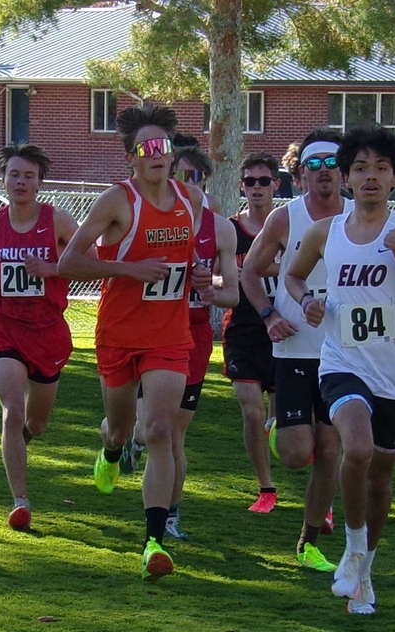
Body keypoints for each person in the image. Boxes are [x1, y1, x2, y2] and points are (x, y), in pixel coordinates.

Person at [286, 127, 395, 614]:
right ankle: (353, 553)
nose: (370, 177)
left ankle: (364, 571)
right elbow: (293, 276)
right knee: (353, 448)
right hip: (341, 364)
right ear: (345, 178)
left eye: (381, 168)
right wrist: (308, 300)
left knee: (380, 481)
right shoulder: (326, 231)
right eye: (360, 168)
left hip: (394, 373)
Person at [57, 105, 210, 582]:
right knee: (123, 429)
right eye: (146, 148)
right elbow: (67, 263)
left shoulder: (192, 201)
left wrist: (198, 275)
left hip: (169, 335)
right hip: (120, 334)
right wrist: (128, 269)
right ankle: (109, 448)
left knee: (161, 430)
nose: (157, 154)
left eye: (163, 145)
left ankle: (153, 543)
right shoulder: (115, 202)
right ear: (131, 158)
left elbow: (188, 264)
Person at [241, 129, 349, 572]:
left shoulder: (362, 216)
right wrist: (269, 316)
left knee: (330, 450)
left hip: (343, 353)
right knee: (294, 455)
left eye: (332, 166)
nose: (324, 176)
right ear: (300, 174)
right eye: (314, 167)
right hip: (293, 349)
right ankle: (279, 428)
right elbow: (249, 273)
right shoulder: (285, 218)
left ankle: (308, 541)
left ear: (343, 172)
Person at [121, 138, 239, 542]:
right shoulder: (152, 217)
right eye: (183, 176)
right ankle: (124, 440)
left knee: (173, 434)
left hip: (192, 338)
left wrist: (210, 287)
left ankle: (169, 515)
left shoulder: (221, 229)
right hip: (147, 331)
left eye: (198, 178)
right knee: (145, 428)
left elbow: (232, 294)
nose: (191, 184)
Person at [0, 143, 80, 531]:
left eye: (29, 176)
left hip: (49, 334)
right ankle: (20, 501)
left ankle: (21, 441)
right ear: (4, 179)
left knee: (36, 423)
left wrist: (50, 268)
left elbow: (89, 261)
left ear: (39, 182)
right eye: (14, 174)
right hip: (6, 328)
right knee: (12, 410)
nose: (21, 182)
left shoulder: (59, 221)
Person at [222, 152, 282, 514]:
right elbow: (219, 274)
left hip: (284, 331)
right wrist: (212, 284)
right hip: (242, 331)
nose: (256, 188)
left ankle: (319, 496)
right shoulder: (230, 229)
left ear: (276, 184)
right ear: (242, 185)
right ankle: (266, 487)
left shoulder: (289, 226)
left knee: (281, 423)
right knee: (251, 413)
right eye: (250, 182)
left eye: (263, 181)